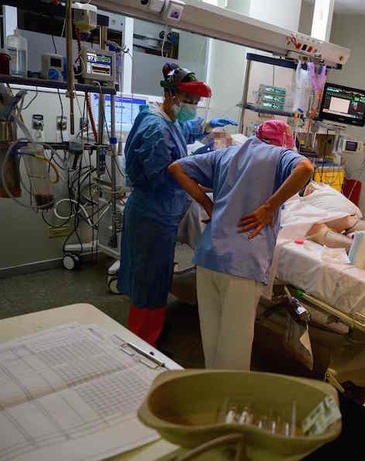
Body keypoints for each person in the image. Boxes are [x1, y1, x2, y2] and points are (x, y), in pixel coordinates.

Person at [168, 120, 314, 370]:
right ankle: (230, 407)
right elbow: (305, 168)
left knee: (212, 347)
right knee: (234, 355)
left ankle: (213, 403)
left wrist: (207, 204)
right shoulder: (280, 155)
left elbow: (176, 168)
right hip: (242, 267)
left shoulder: (226, 154)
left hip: (208, 260)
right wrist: (270, 207)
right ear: (284, 142)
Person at [118, 62, 236, 346]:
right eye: (190, 101)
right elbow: (163, 177)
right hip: (152, 215)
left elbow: (183, 129)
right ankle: (142, 341)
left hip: (161, 215)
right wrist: (200, 170)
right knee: (149, 279)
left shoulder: (164, 119)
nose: (193, 107)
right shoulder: (155, 130)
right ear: (172, 95)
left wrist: (207, 128)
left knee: (156, 277)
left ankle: (150, 331)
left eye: (197, 102)